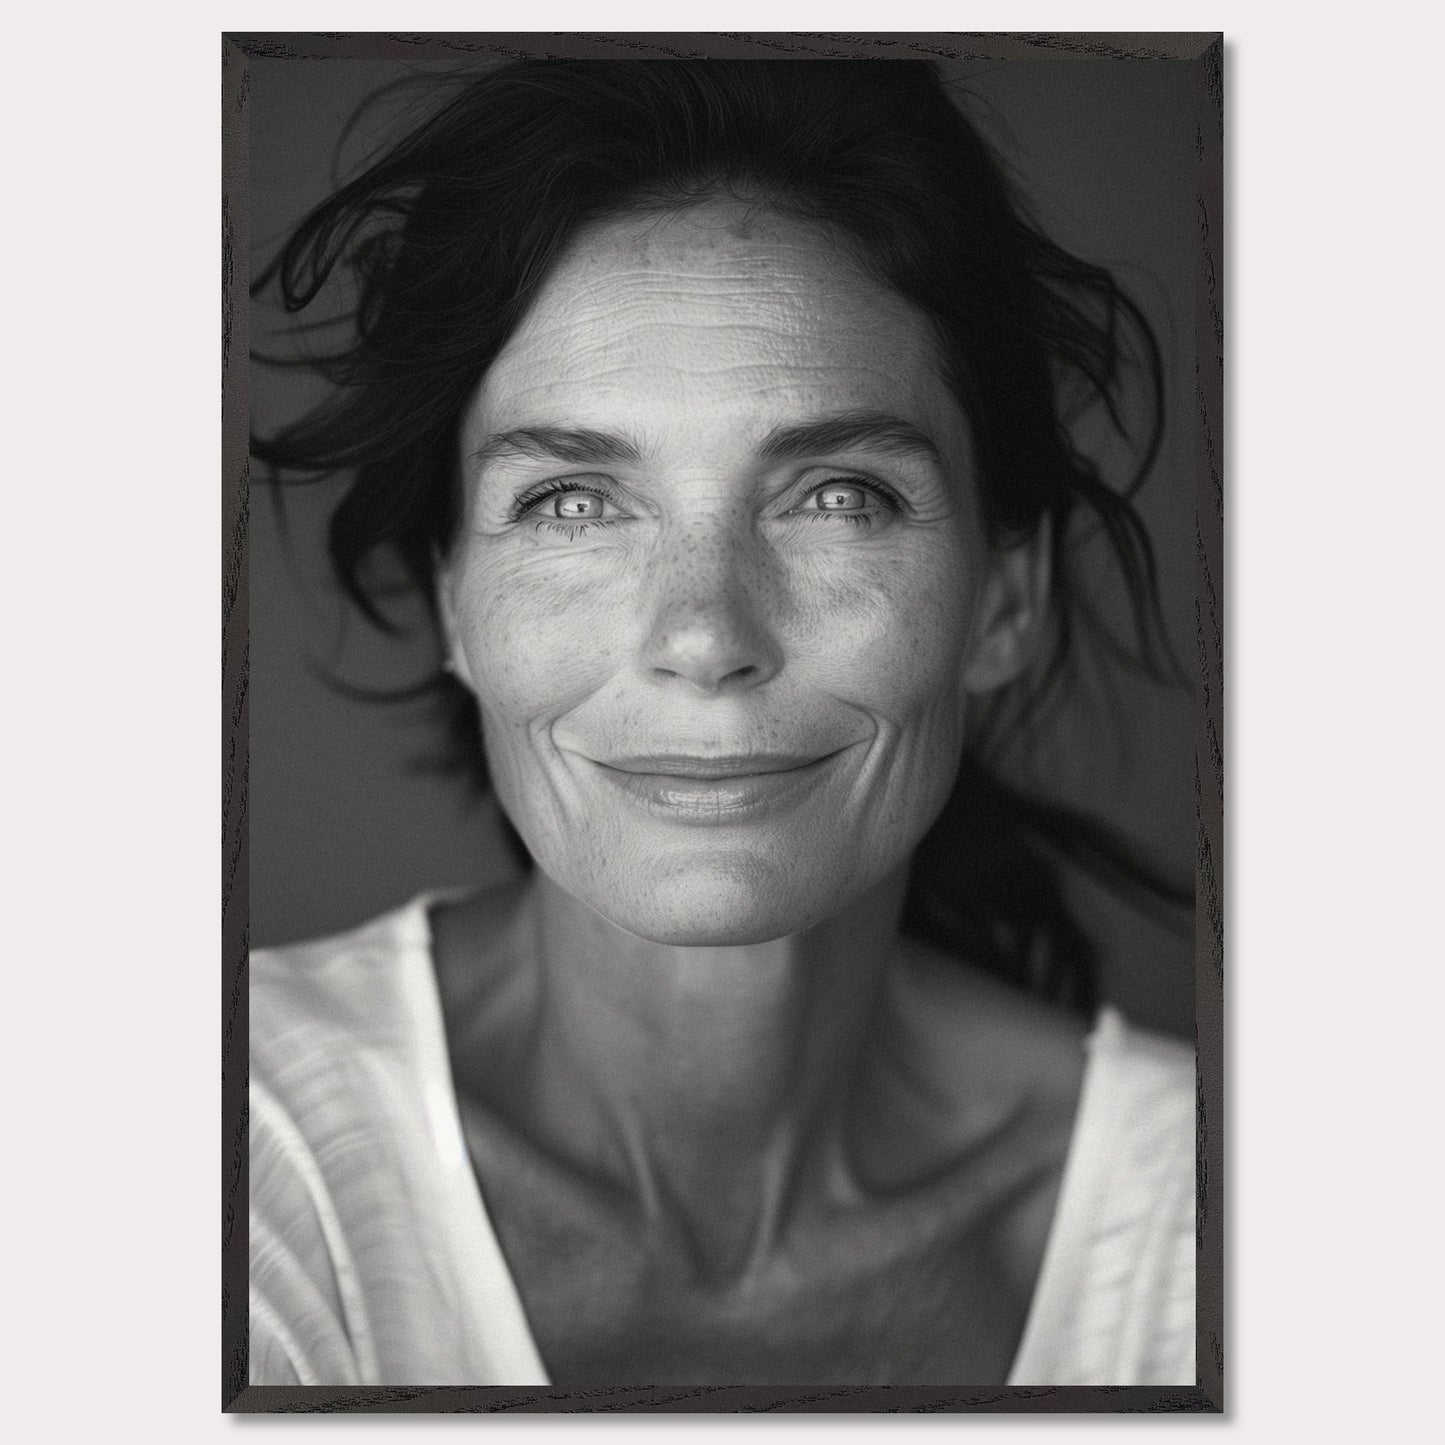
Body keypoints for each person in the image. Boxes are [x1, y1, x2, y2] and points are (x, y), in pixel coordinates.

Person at [247, 58, 1195, 1389]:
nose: (702, 635)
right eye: (573, 500)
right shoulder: (224, 1150)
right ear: (454, 600)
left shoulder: (1226, 1229)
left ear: (1003, 595)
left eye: (837, 495)